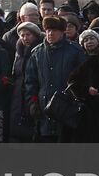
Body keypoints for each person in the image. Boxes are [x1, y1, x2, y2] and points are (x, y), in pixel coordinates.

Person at [22, 15, 86, 143]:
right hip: (43, 110)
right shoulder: (37, 53)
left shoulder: (75, 51)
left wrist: (76, 103)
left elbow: (83, 78)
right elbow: (30, 82)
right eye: (48, 30)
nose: (50, 33)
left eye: (54, 30)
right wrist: (33, 103)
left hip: (67, 111)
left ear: (62, 32)